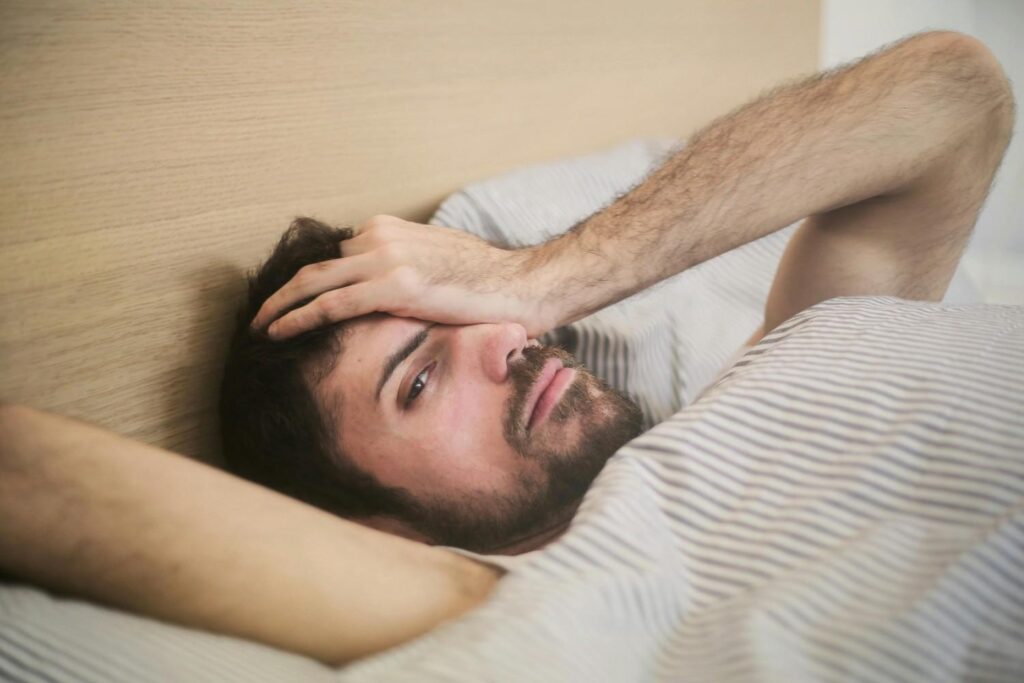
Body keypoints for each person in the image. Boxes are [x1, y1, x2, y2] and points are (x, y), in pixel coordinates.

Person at [0, 30, 1015, 667]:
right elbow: (25, 470)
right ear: (379, 528)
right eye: (422, 375)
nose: (508, 341)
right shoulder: (497, 600)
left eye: (469, 314)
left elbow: (954, 94)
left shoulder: (772, 375)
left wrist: (541, 274)